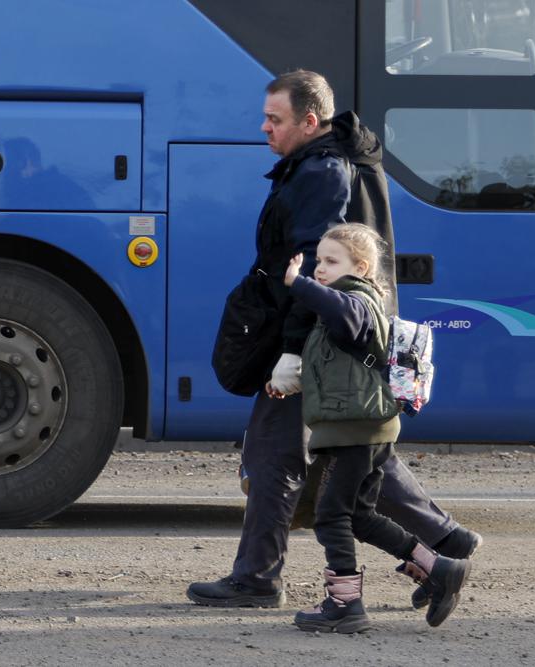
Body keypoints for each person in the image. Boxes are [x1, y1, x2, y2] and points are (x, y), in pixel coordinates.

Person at [187, 70, 480, 609]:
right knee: (357, 448)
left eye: (275, 119)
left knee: (277, 453)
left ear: (309, 121)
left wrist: (292, 353)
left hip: (322, 340)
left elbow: (311, 270)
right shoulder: (331, 162)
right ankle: (446, 542)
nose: (264, 129)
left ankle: (257, 578)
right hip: (337, 337)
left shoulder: (322, 173)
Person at [283, 223, 470, 631]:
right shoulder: (341, 303)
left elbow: (346, 316)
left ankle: (345, 603)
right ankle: (438, 569)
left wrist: (298, 283)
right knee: (361, 517)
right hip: (359, 427)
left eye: (332, 261)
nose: (320, 268)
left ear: (362, 268)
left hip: (356, 431)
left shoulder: (357, 300)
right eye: (318, 260)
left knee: (330, 515)